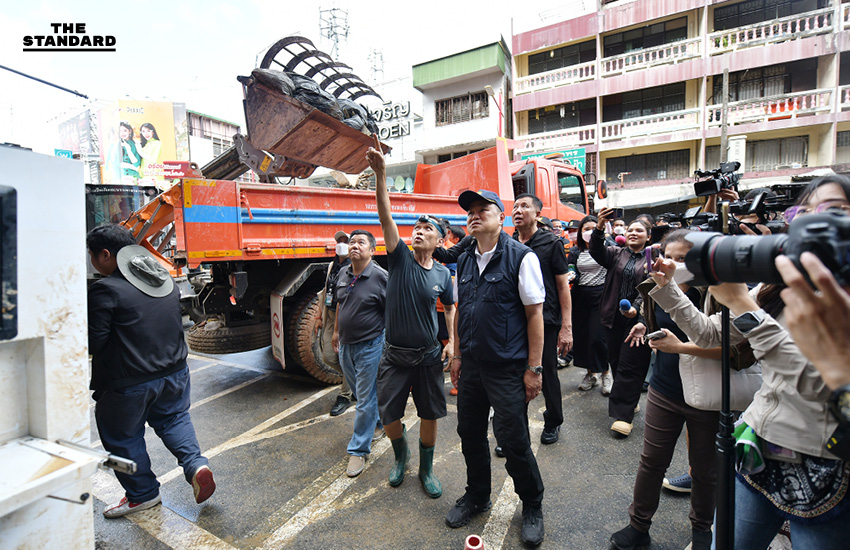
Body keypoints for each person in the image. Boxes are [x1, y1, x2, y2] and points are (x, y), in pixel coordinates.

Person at [653, 176, 850, 548]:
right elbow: (712, 334)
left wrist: (743, 305)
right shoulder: (776, 285)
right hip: (759, 452)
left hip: (827, 474)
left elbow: (819, 384)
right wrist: (668, 289)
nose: (813, 222)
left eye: (833, 211)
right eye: (804, 212)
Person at [87, 224, 214, 518]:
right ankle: (196, 465)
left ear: (105, 255)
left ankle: (141, 495)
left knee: (121, 438)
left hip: (128, 383)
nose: (92, 261)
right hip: (175, 373)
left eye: (92, 255)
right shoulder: (162, 280)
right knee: (174, 419)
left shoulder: (105, 289)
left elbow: (95, 341)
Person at [445, 189, 546, 547]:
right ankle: (477, 495)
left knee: (514, 440)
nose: (474, 215)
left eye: (482, 210)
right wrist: (456, 355)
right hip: (471, 366)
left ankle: (532, 503)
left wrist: (534, 368)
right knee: (469, 433)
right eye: (469, 211)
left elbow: (535, 315)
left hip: (507, 368)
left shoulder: (522, 257)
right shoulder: (467, 259)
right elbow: (461, 310)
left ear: (500, 217)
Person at [609, 230, 717, 550]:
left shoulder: (716, 293)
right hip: (664, 390)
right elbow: (649, 313)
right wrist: (643, 322)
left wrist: (682, 347)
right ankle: (638, 527)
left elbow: (735, 350)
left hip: (707, 396)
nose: (675, 264)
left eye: (684, 258)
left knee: (703, 469)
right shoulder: (654, 284)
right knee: (652, 461)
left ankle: (702, 531)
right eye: (670, 256)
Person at [366, 143, 455, 497]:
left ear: (439, 240)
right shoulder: (400, 257)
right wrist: (381, 174)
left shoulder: (444, 276)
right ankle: (401, 459)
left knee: (431, 414)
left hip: (430, 357)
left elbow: (451, 309)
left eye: (426, 228)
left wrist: (454, 347)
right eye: (416, 227)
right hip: (395, 356)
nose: (417, 231)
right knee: (389, 417)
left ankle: (427, 469)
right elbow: (385, 215)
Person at [511, 193, 573, 444]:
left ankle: (553, 421)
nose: (518, 210)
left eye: (524, 206)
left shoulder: (552, 243)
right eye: (515, 206)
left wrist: (566, 326)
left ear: (537, 213)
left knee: (545, 371)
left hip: (545, 319)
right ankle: (517, 430)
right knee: (516, 373)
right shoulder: (510, 242)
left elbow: (562, 287)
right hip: (516, 319)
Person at [590, 209, 653, 437]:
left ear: (648, 236)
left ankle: (623, 416)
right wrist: (599, 227)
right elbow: (596, 250)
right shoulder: (616, 253)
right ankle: (630, 398)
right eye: (630, 230)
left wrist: (638, 312)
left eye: (639, 230)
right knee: (616, 361)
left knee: (630, 364)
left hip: (639, 321)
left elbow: (650, 287)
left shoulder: (652, 258)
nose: (633, 233)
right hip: (612, 318)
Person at [332, 229, 388, 477]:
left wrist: (387, 344)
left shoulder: (381, 277)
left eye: (361, 242)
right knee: (359, 392)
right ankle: (377, 423)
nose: (354, 245)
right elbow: (340, 303)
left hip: (370, 345)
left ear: (372, 250)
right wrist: (335, 332)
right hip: (346, 344)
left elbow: (391, 313)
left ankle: (358, 449)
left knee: (364, 398)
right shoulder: (343, 272)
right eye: (352, 242)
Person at [567, 215, 610, 392]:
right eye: (586, 229)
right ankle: (590, 374)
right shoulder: (576, 251)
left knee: (597, 338)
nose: (589, 232)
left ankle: (606, 374)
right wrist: (572, 275)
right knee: (583, 338)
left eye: (594, 228)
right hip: (580, 297)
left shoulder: (607, 249)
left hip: (601, 296)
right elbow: (571, 268)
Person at [318, 231, 355, 417]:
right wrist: (319, 315)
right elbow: (326, 291)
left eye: (345, 241)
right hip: (330, 314)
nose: (341, 244)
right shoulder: (333, 265)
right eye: (338, 241)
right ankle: (356, 381)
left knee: (343, 358)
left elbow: (345, 300)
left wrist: (337, 331)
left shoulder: (354, 267)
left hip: (345, 318)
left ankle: (345, 395)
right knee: (328, 357)